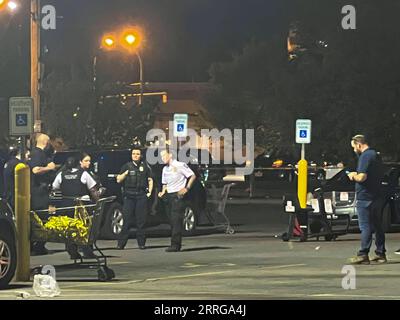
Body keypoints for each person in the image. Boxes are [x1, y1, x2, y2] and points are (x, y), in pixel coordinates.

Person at [347, 134, 386, 264]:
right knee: (378, 225)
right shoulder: (376, 155)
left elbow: (362, 177)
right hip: (377, 196)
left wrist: (353, 175)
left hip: (365, 196)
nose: (354, 150)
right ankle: (380, 253)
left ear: (359, 144)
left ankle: (363, 254)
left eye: (354, 147)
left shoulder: (365, 156)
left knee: (365, 226)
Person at [52, 156, 101, 259]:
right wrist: (97, 201)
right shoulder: (83, 173)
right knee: (84, 228)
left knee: (69, 228)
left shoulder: (61, 174)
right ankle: (87, 251)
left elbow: (55, 187)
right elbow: (92, 189)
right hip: (81, 205)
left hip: (66, 204)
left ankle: (72, 251)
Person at [158, 147, 196, 252]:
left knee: (176, 219)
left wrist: (186, 188)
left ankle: (175, 244)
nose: (162, 158)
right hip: (169, 196)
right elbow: (164, 183)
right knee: (171, 220)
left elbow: (192, 176)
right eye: (161, 156)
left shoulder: (180, 165)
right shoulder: (165, 169)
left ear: (170, 155)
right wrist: (162, 192)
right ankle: (174, 242)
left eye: (164, 155)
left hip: (177, 195)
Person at [116, 148, 153, 250]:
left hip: (141, 195)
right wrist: (125, 174)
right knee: (126, 220)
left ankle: (141, 243)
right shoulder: (126, 166)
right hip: (129, 196)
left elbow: (150, 179)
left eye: (137, 154)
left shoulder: (145, 166)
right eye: (133, 154)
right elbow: (118, 179)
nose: (135, 155)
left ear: (141, 155)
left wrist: (149, 192)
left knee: (141, 221)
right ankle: (121, 244)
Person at [29, 133, 57, 255]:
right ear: (44, 142)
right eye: (48, 141)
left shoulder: (40, 153)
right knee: (41, 218)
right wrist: (50, 168)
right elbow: (35, 170)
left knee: (41, 218)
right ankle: (37, 245)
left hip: (41, 191)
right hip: (38, 193)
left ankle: (38, 245)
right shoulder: (37, 153)